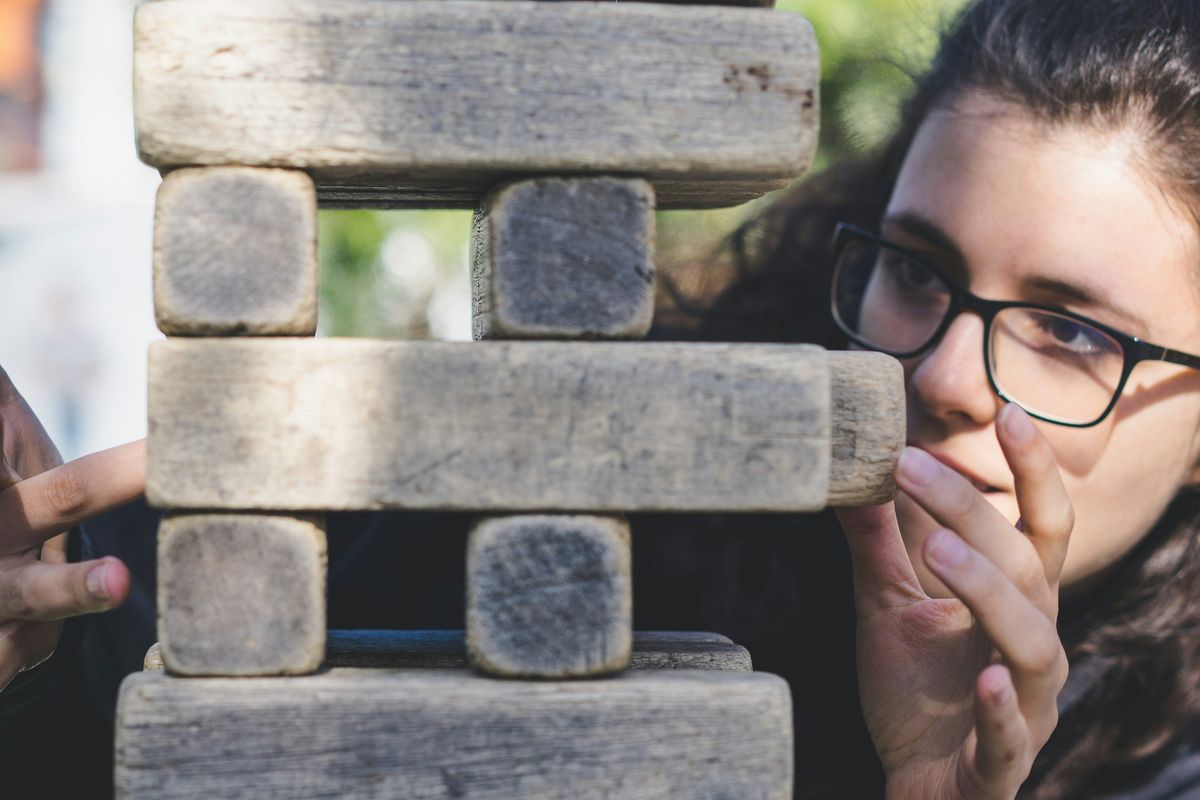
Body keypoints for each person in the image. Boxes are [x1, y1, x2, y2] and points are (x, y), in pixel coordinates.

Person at [2, 0, 1200, 797]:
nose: (937, 374)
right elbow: (136, 657)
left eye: (1068, 330)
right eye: (914, 268)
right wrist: (38, 621)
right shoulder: (600, 490)